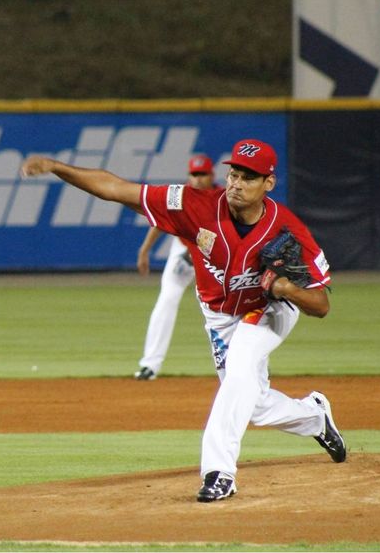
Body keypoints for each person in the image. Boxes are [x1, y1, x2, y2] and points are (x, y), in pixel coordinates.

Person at [20, 139, 346, 502]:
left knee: (239, 373)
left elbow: (321, 305)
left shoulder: (288, 229)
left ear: (268, 183)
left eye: (249, 177)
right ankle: (315, 417)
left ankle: (219, 472)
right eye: (234, 173)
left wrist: (287, 288)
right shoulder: (194, 204)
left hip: (269, 309)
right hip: (220, 316)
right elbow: (117, 189)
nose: (237, 182)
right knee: (250, 400)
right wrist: (57, 167)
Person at [134, 154, 216, 381]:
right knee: (167, 298)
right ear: (189, 176)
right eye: (194, 174)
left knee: (225, 306)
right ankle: (149, 365)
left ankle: (244, 365)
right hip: (182, 251)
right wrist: (144, 250)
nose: (198, 179)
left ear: (212, 176)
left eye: (203, 174)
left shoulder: (222, 198)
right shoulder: (180, 196)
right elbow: (161, 220)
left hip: (215, 256)